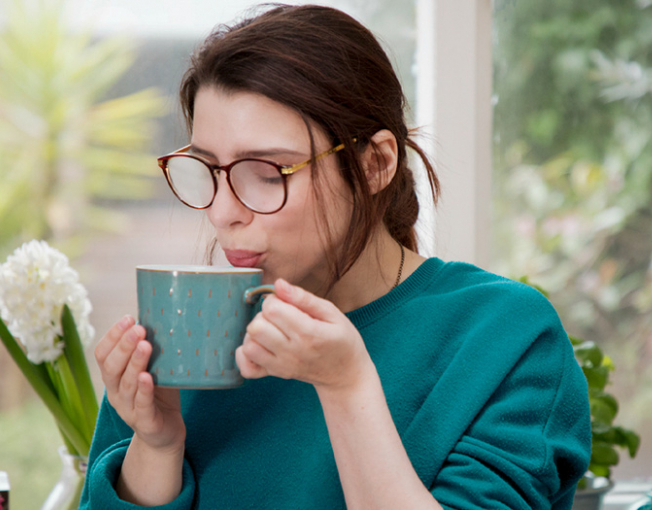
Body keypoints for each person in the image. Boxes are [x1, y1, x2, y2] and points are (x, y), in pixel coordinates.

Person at [80, 4, 591, 509]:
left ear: (375, 164)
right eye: (209, 169)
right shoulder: (192, 339)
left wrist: (346, 387)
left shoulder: (505, 339)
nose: (221, 212)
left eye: (267, 173)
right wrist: (157, 446)